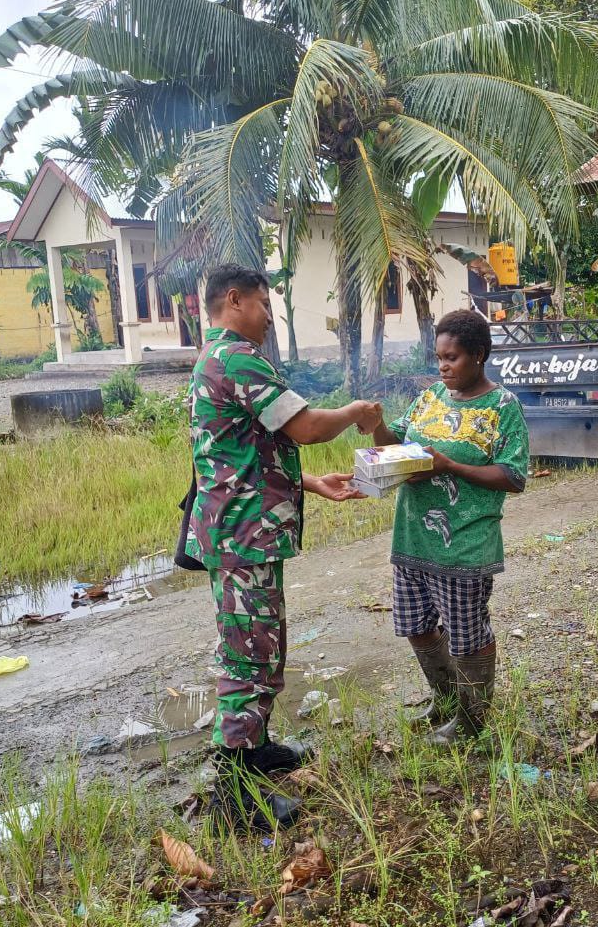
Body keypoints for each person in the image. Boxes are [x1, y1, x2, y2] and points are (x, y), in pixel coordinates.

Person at [188, 263, 381, 830]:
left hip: (241, 527)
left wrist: (312, 484)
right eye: (263, 304)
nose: (270, 316)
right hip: (243, 537)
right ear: (233, 300)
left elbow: (245, 456)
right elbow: (305, 428)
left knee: (261, 648)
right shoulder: (236, 358)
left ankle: (258, 747)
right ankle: (236, 793)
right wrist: (356, 414)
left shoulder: (215, 360)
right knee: (250, 656)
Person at [370, 309, 529, 746]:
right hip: (412, 536)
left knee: (467, 635)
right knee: (417, 624)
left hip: (464, 542)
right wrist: (376, 427)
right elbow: (395, 444)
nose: (443, 366)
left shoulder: (503, 407)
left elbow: (514, 476)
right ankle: (445, 701)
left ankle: (473, 721)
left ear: (478, 355)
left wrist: (450, 465)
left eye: (452, 357)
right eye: (439, 357)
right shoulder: (431, 397)